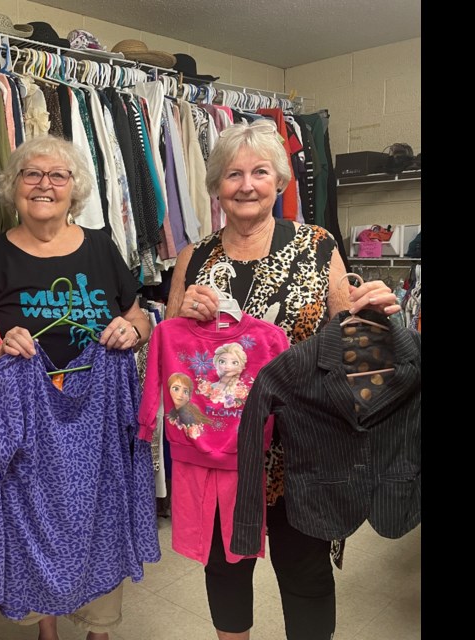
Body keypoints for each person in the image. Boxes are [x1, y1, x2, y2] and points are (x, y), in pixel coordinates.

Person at [165, 119, 400, 640]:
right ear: (216, 188)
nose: (246, 184)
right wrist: (180, 313)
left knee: (305, 572)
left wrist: (378, 314)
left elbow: (350, 340)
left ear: (281, 180)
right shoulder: (196, 256)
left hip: (302, 448)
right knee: (225, 566)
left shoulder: (317, 245)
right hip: (222, 449)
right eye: (232, 174)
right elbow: (173, 351)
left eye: (259, 171)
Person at [0, 134, 152, 640]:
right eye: (31, 174)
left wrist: (133, 330)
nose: (44, 184)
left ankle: (100, 627)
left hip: (99, 414)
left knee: (101, 512)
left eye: (57, 176)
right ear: (13, 188)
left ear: (74, 188)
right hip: (27, 418)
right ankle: (47, 626)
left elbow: (140, 317)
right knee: (35, 516)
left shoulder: (101, 247)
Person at [201, 343, 250, 408]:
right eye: (222, 361)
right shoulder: (211, 387)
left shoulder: (242, 390)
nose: (227, 366)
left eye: (234, 363)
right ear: (216, 364)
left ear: (242, 366)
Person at [166, 372, 212, 438]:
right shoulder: (174, 411)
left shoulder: (185, 414)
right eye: (176, 389)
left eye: (185, 391)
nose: (180, 395)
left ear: (188, 397)